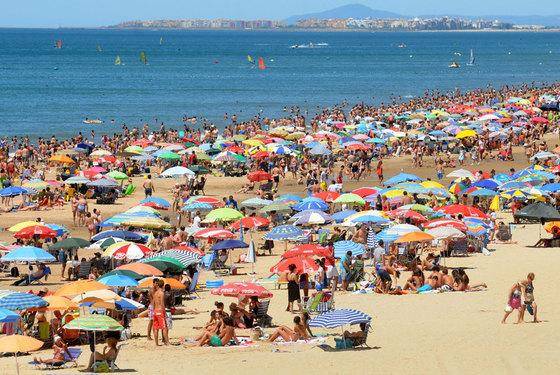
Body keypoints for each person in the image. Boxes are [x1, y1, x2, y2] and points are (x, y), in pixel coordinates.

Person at [152, 279, 169, 345]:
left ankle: (156, 343)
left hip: (155, 311)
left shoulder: (155, 293)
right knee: (164, 327)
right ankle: (167, 342)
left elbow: (153, 303)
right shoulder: (161, 293)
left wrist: (154, 311)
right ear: (163, 286)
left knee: (156, 328)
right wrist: (164, 312)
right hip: (160, 311)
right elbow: (162, 304)